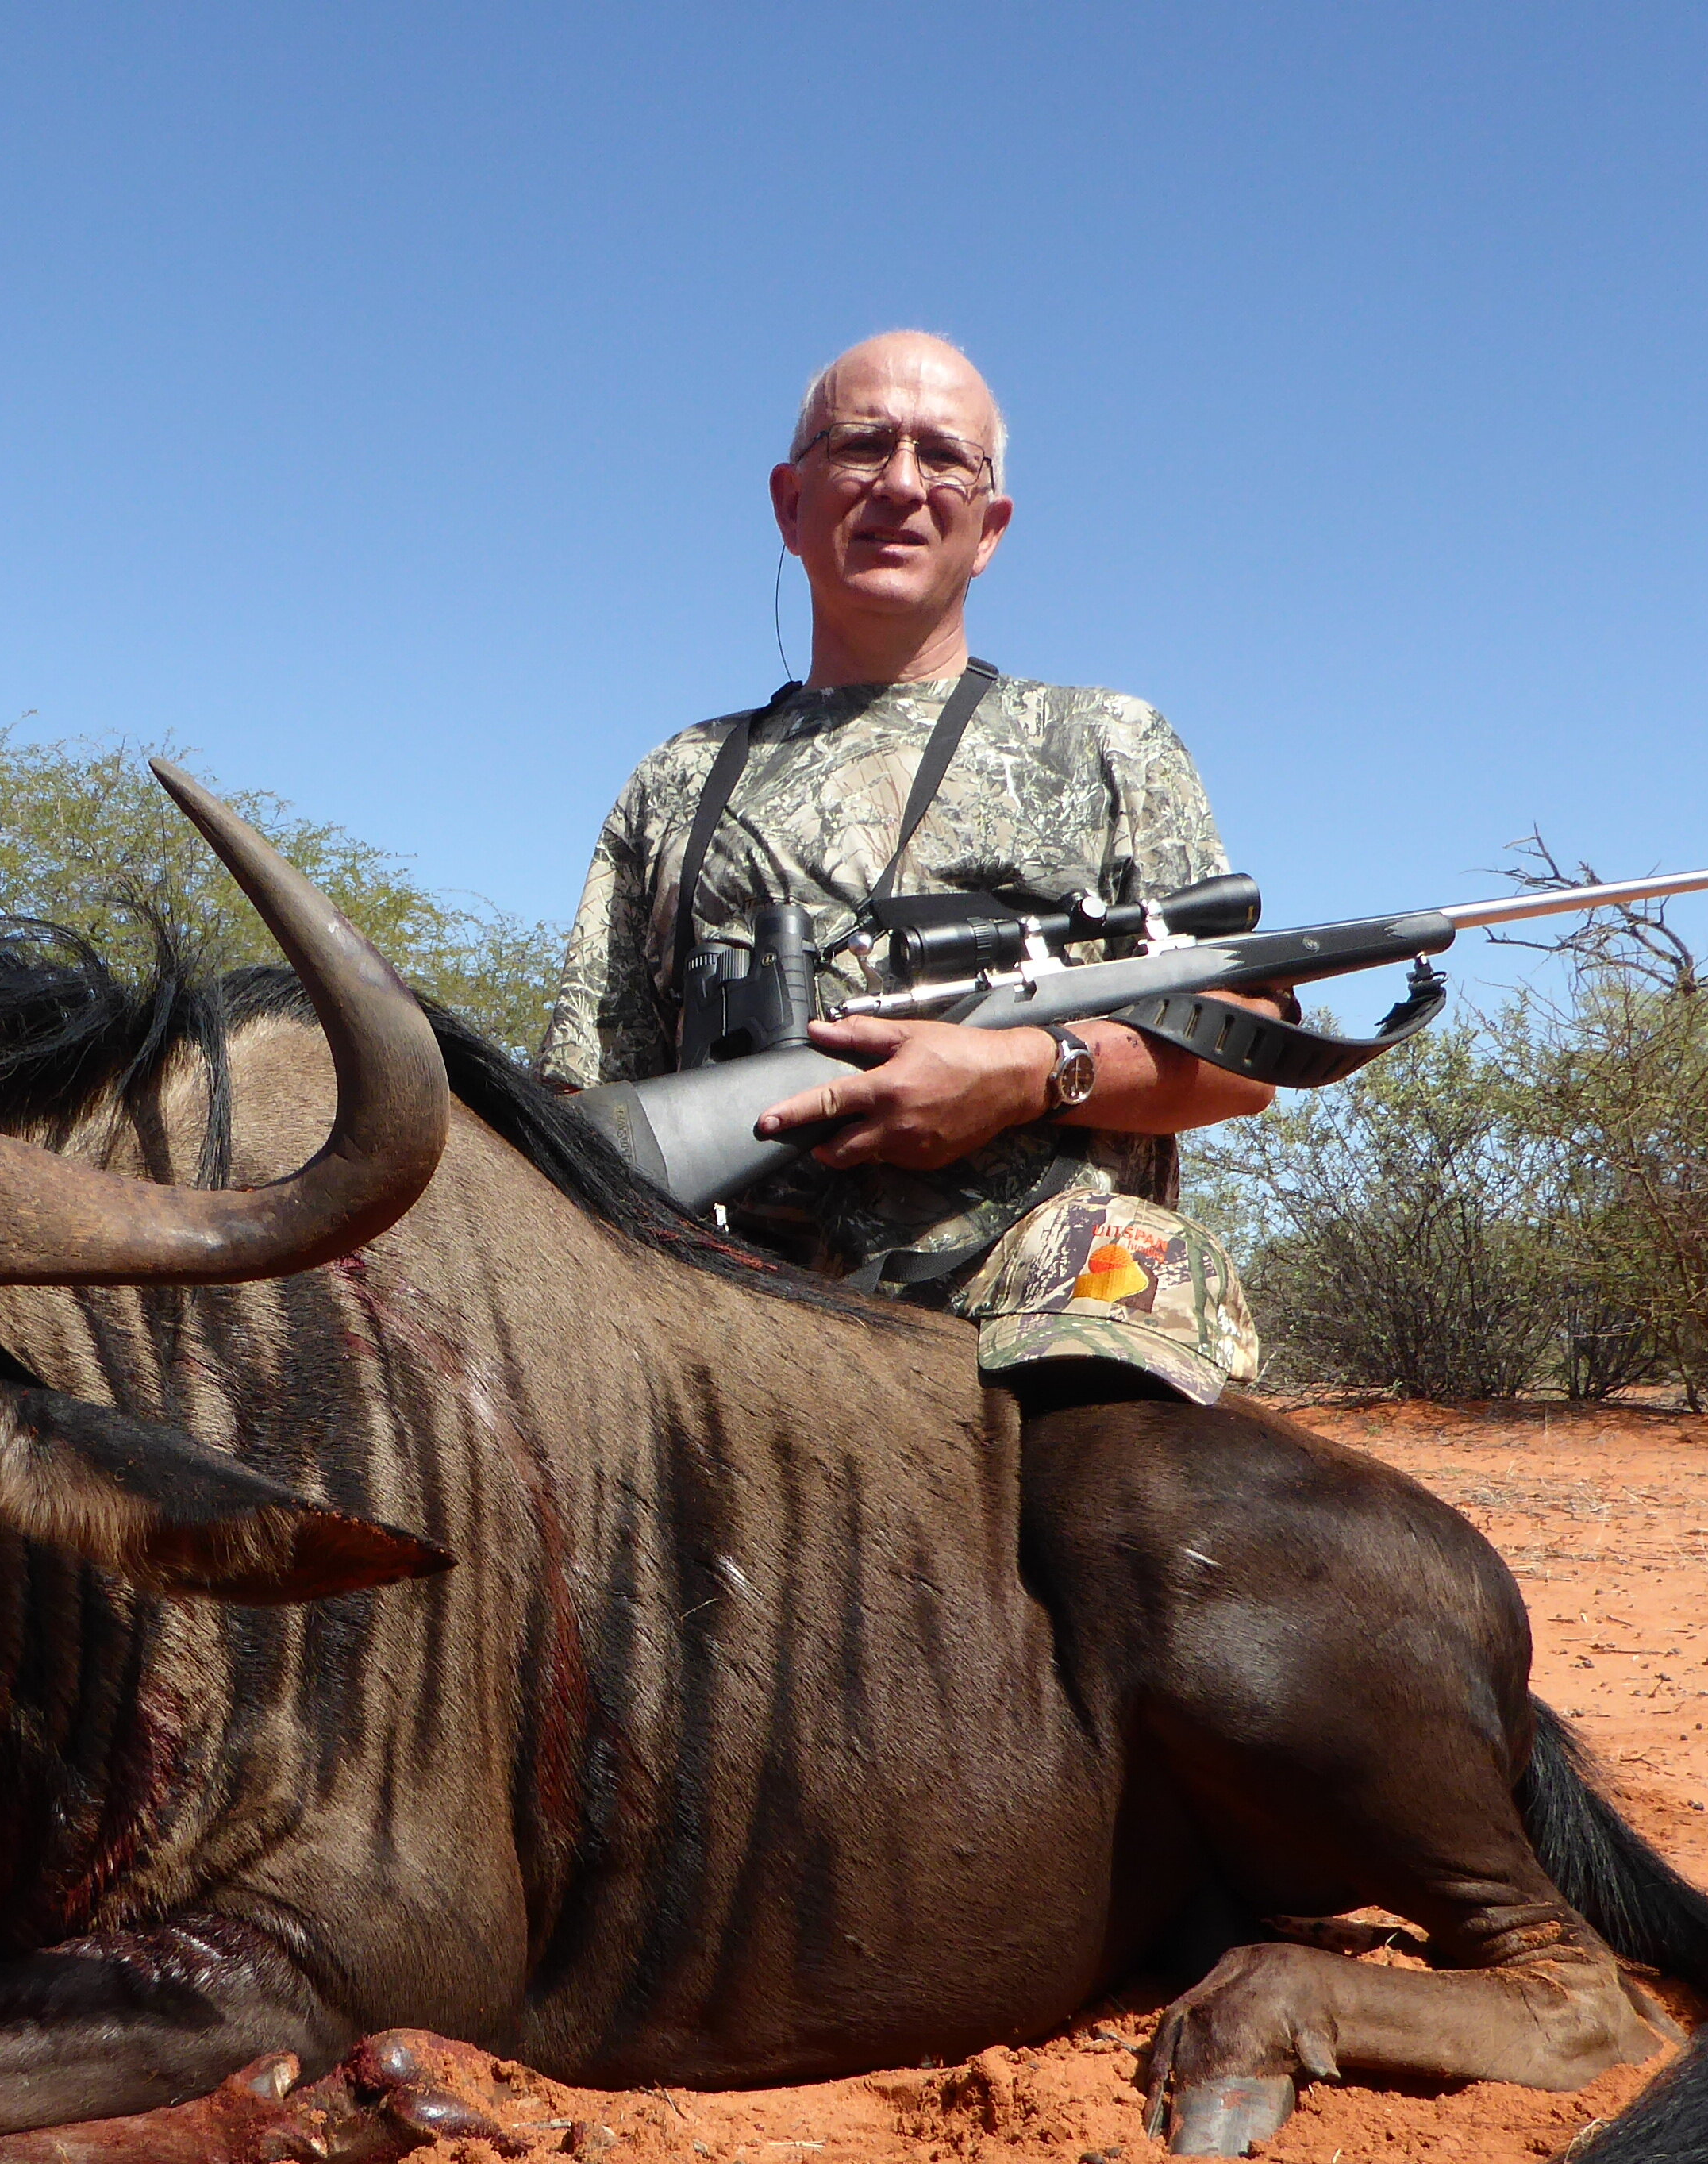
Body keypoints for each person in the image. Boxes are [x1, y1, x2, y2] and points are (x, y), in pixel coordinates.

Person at [539, 329, 1286, 1405]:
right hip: (744, 1336)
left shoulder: (1108, 741)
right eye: (861, 447)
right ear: (790, 504)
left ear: (991, 527)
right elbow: (589, 1112)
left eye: (945, 457)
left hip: (1055, 1343)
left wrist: (1029, 1074)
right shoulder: (679, 780)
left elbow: (1245, 1059)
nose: (900, 483)